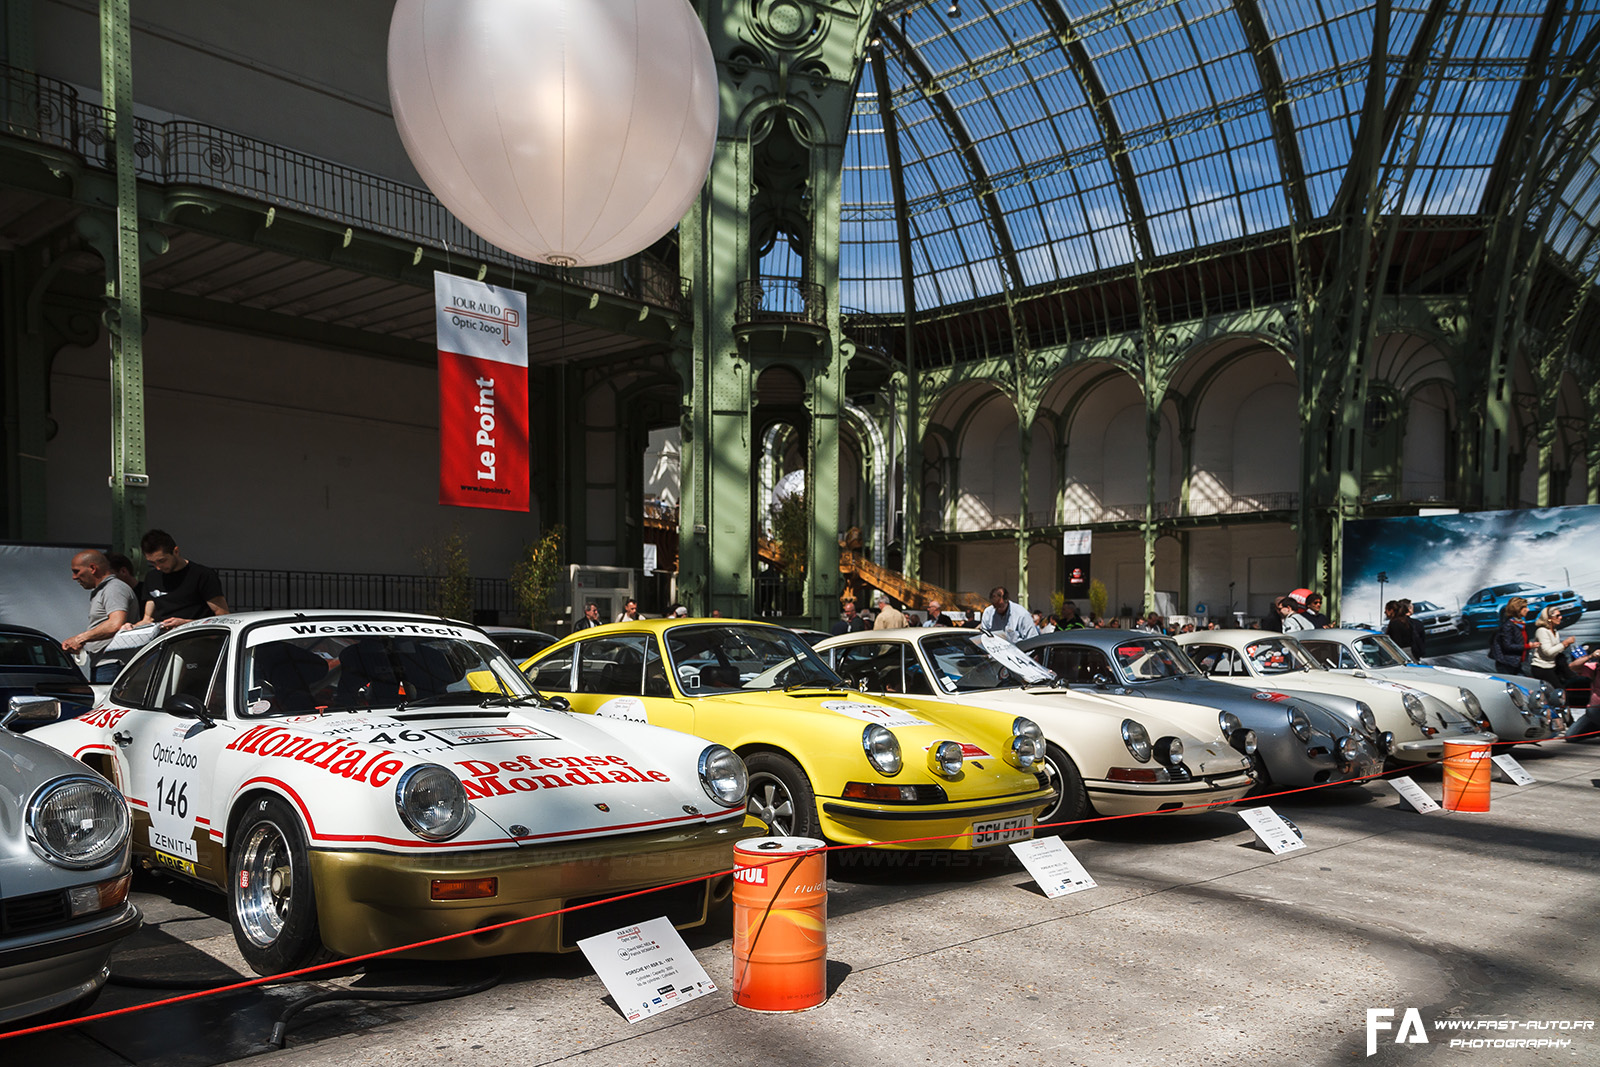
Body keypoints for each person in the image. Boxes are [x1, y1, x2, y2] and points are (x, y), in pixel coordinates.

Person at [62, 549, 138, 680]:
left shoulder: (114, 588)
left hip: (113, 663)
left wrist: (80, 639)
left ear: (92, 568)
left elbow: (115, 624)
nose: (74, 577)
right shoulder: (104, 590)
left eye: (76, 571)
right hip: (105, 663)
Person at [138, 529, 228, 630]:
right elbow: (147, 619)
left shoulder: (203, 575)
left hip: (196, 638)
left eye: (162, 561)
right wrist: (131, 627)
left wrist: (186, 624)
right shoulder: (152, 577)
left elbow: (223, 617)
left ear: (176, 551)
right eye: (152, 563)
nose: (158, 567)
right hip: (163, 640)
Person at [1529, 606, 1577, 687]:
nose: (1560, 617)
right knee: (1558, 691)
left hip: (1552, 665)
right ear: (1549, 618)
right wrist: (1564, 643)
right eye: (1557, 616)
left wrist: (1565, 645)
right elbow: (1548, 652)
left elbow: (1556, 650)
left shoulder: (1554, 631)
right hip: (1542, 667)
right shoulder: (1542, 631)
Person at [1488, 596, 1531, 675]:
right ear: (1518, 609)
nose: (1528, 610)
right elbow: (1508, 646)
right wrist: (1528, 646)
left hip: (1515, 663)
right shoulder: (1508, 626)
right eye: (1525, 607)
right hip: (1507, 664)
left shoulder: (1520, 624)